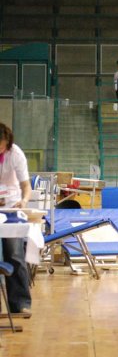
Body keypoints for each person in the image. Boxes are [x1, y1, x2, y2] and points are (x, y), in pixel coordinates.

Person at [0, 122, 33, 314]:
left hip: (11, 206)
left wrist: (24, 201)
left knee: (14, 254)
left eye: (2, 146)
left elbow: (26, 186)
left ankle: (20, 303)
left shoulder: (16, 154)